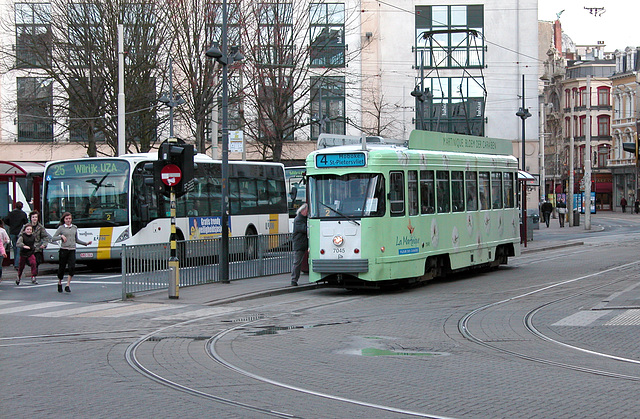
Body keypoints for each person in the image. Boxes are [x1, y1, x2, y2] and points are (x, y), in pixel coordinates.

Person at [50, 212, 92, 293]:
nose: (68, 220)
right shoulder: (61, 228)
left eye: (69, 219)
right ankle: (59, 282)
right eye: (66, 219)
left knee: (72, 267)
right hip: (64, 249)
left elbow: (76, 239)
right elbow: (53, 238)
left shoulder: (74, 227)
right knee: (62, 267)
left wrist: (85, 243)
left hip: (72, 249)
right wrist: (61, 237)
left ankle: (67, 285)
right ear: (64, 220)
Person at [4, 201, 28, 270]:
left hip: (12, 232)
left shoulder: (11, 213)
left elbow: (5, 220)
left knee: (14, 248)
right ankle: (17, 264)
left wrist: (10, 225)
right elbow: (25, 222)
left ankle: (16, 262)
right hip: (19, 232)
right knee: (19, 248)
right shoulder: (23, 214)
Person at [290, 203, 308, 286]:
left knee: (298, 262)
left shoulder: (303, 219)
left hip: (303, 243)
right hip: (300, 244)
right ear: (303, 211)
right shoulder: (298, 220)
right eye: (307, 211)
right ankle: (294, 279)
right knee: (297, 262)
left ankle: (294, 279)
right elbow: (304, 229)